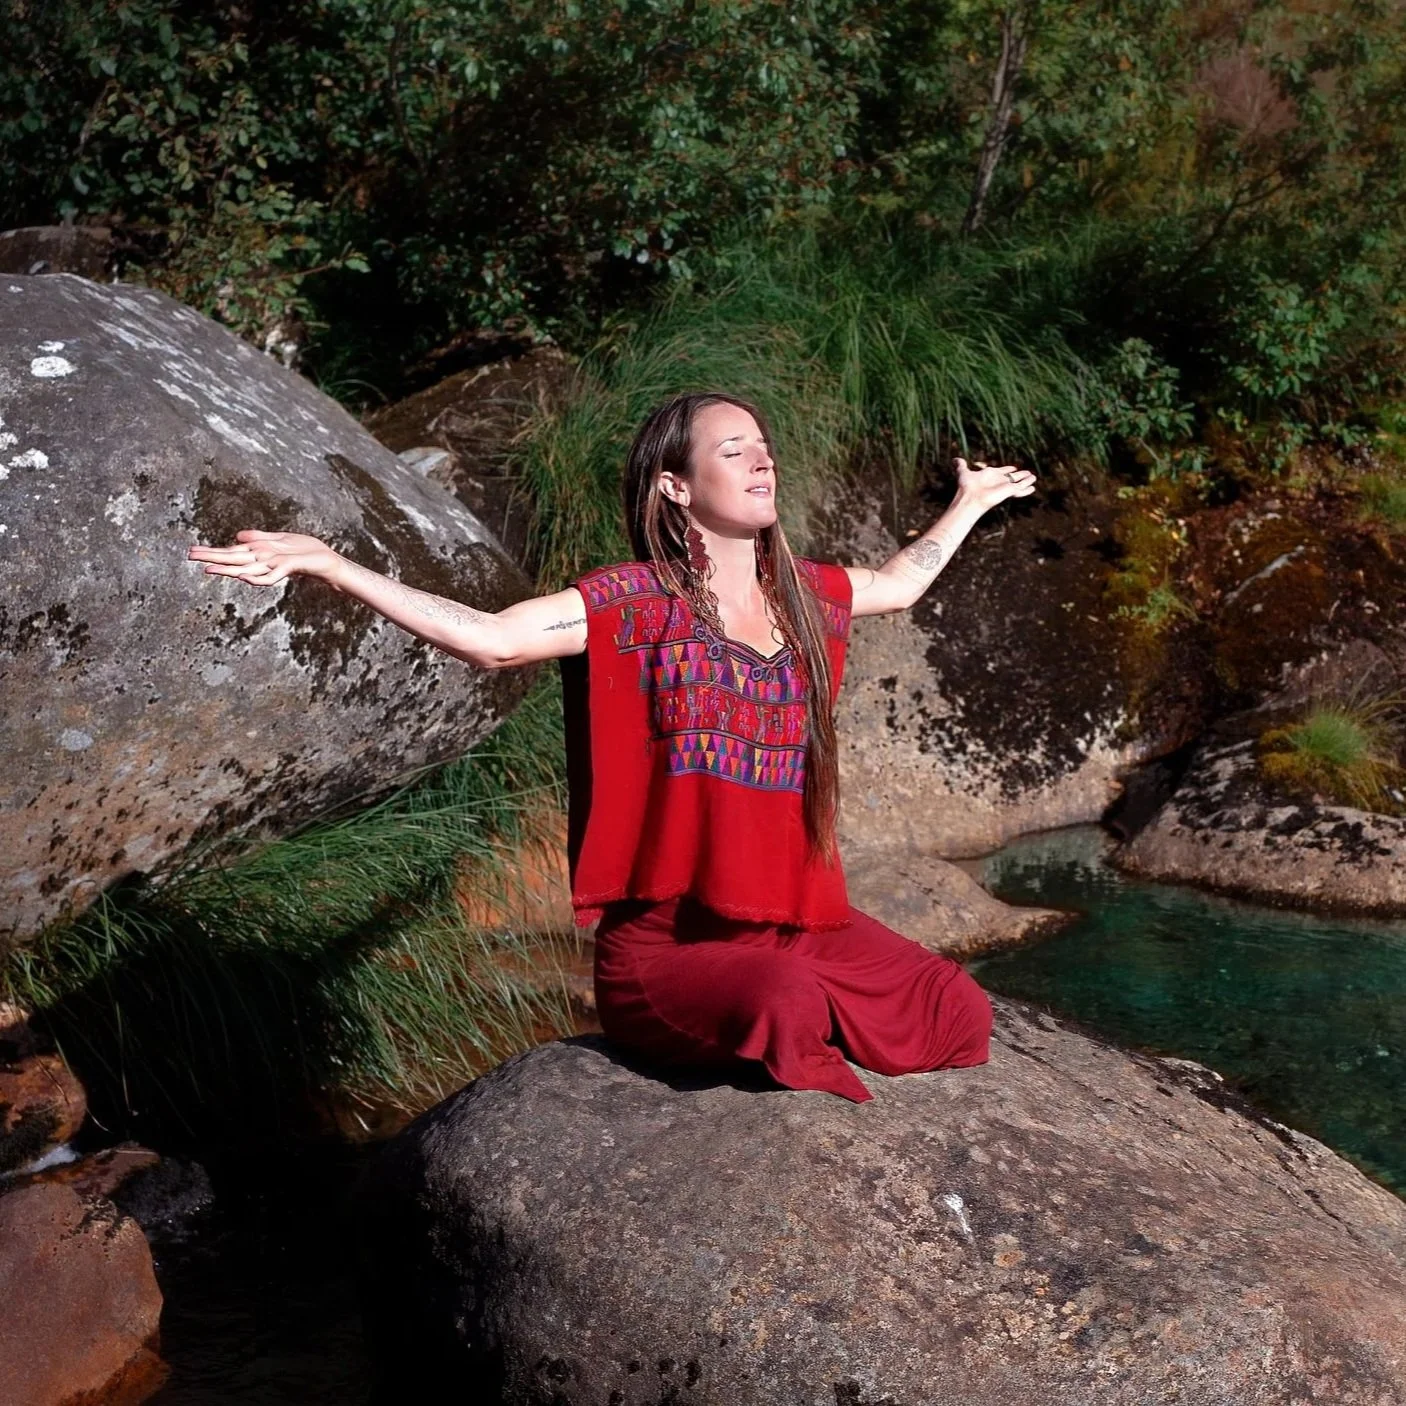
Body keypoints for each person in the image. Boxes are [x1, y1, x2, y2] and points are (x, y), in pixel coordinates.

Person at [188, 391, 1037, 1102]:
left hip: (794, 923)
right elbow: (493, 639)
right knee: (786, 1003)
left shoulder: (805, 597)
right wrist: (333, 566)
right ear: (674, 485)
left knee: (957, 1008)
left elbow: (897, 583)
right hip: (667, 948)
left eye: (764, 449)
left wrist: (968, 503)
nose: (761, 462)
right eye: (734, 451)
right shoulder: (631, 605)